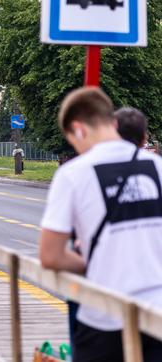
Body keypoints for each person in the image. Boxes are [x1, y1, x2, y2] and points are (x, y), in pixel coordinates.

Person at [39, 87, 162, 361]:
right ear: (113, 122)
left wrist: (92, 261)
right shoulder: (157, 166)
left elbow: (51, 255)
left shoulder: (72, 174)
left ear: (78, 130)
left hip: (105, 316)